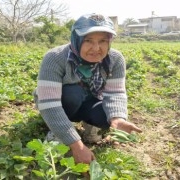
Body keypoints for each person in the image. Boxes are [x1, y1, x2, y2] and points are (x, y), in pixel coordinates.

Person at [34, 13, 141, 165]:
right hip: (62, 103)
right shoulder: (54, 58)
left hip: (91, 99)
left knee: (109, 118)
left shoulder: (115, 59)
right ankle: (59, 132)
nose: (96, 48)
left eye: (103, 41)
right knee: (73, 93)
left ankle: (91, 126)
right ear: (76, 39)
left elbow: (115, 93)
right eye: (88, 40)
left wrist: (117, 117)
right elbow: (49, 105)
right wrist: (76, 145)